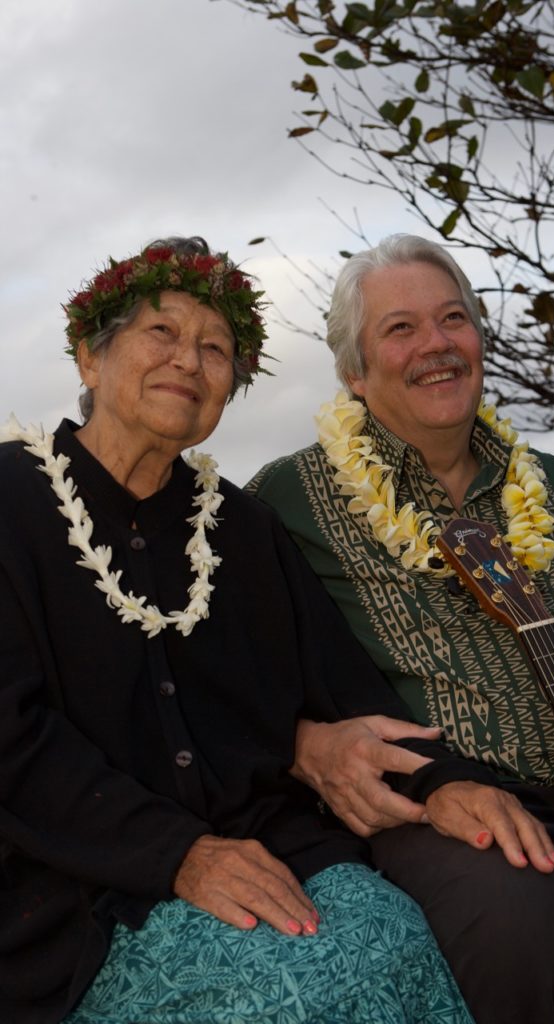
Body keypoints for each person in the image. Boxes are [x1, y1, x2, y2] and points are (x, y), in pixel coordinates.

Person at [0, 235, 491, 1024]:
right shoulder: (9, 504)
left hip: (281, 854)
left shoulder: (244, 525)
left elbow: (344, 688)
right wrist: (178, 855)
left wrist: (445, 783)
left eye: (216, 349)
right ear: (89, 359)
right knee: (290, 997)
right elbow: (11, 741)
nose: (189, 362)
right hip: (81, 900)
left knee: (399, 943)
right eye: (162, 333)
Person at [248, 233, 554, 1024]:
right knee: (518, 921)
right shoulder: (284, 503)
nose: (437, 345)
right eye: (401, 329)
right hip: (449, 804)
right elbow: (236, 675)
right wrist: (311, 747)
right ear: (355, 370)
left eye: (454, 319)